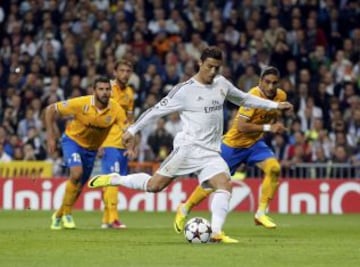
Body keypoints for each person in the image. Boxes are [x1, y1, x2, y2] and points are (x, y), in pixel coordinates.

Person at [87, 47, 292, 243]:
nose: (213, 71)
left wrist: (275, 105)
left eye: (216, 68)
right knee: (154, 186)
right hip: (188, 149)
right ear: (199, 63)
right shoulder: (185, 91)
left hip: (211, 152)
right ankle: (115, 179)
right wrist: (131, 130)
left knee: (225, 185)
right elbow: (155, 111)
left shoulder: (222, 84)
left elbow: (246, 99)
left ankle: (217, 233)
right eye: (209, 66)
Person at [173, 66, 287, 232]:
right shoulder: (253, 96)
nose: (270, 87)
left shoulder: (281, 96)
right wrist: (270, 128)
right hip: (232, 145)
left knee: (274, 168)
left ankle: (261, 213)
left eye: (274, 83)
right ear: (260, 82)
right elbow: (240, 125)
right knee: (212, 183)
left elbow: (268, 116)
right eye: (267, 82)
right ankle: (185, 208)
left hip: (254, 144)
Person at [45, 77, 128, 230]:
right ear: (93, 91)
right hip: (72, 142)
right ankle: (68, 214)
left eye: (107, 89)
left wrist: (131, 144)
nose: (104, 92)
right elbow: (50, 110)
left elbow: (127, 129)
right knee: (76, 174)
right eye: (101, 89)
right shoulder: (81, 103)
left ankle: (58, 215)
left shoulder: (115, 109)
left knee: (79, 186)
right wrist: (50, 136)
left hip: (91, 150)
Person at [100, 59, 135, 229]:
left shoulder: (129, 93)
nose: (125, 74)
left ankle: (106, 220)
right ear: (115, 72)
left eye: (128, 71)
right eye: (121, 70)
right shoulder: (106, 90)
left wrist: (131, 145)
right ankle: (113, 219)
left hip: (122, 143)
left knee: (113, 182)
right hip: (108, 142)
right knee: (113, 180)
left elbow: (130, 121)